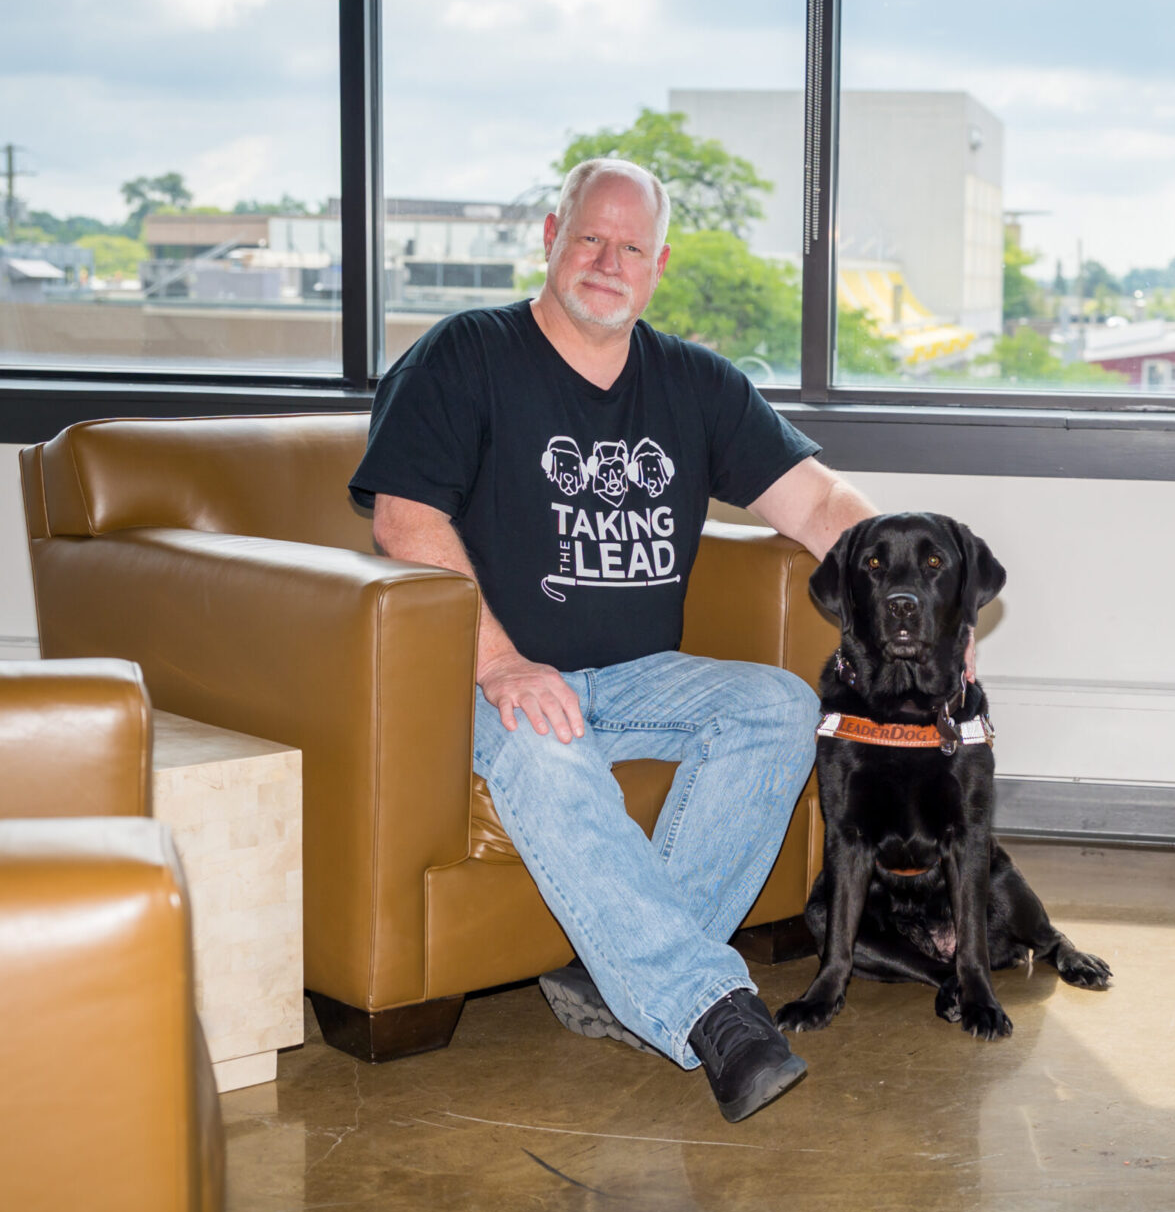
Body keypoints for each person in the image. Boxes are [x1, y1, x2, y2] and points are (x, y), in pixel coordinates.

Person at [348, 158, 874, 1123]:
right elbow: (404, 518)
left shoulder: (696, 383)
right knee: (549, 748)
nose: (607, 259)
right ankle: (710, 1009)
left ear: (658, 264)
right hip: (484, 674)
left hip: (637, 675)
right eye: (590, 236)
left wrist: (932, 597)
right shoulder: (466, 354)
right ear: (552, 234)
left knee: (782, 706)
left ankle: (610, 982)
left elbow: (821, 503)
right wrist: (501, 662)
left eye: (631, 246)